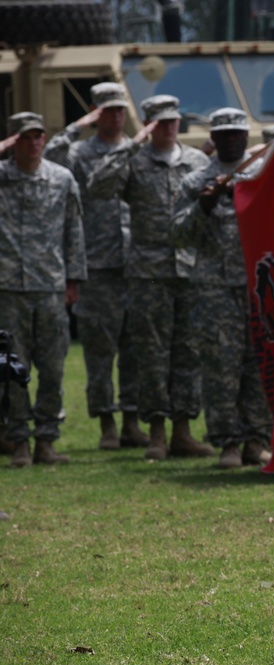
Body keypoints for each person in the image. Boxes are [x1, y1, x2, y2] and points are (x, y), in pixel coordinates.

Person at [88, 94, 214, 461]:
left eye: (174, 120)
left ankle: (183, 431)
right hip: (149, 273)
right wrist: (131, 145)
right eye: (161, 122)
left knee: (188, 352)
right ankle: (156, 431)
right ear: (147, 125)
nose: (170, 127)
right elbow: (98, 186)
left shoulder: (196, 161)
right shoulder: (135, 161)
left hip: (189, 269)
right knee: (152, 354)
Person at [42, 82, 149, 451]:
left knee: (134, 349)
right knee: (99, 350)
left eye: (120, 109)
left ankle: (132, 421)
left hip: (135, 263)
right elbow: (50, 156)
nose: (116, 116)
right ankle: (106, 424)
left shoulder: (137, 151)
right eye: (108, 110)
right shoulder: (78, 152)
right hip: (97, 265)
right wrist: (78, 126)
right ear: (95, 113)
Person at [172, 108, 273, 468]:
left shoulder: (263, 174)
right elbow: (178, 235)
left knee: (259, 365)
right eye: (224, 134)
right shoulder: (195, 180)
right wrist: (203, 206)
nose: (231, 139)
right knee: (220, 368)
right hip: (215, 288)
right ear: (213, 139)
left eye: (237, 133)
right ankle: (228, 442)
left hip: (260, 285)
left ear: (247, 136)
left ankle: (257, 440)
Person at [0, 112, 87, 467]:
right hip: (8, 288)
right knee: (12, 368)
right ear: (13, 141)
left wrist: (73, 281)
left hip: (51, 286)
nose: (33, 143)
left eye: (38, 136)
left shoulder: (61, 179)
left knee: (52, 367)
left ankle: (47, 440)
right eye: (25, 137)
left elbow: (74, 232)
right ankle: (18, 440)